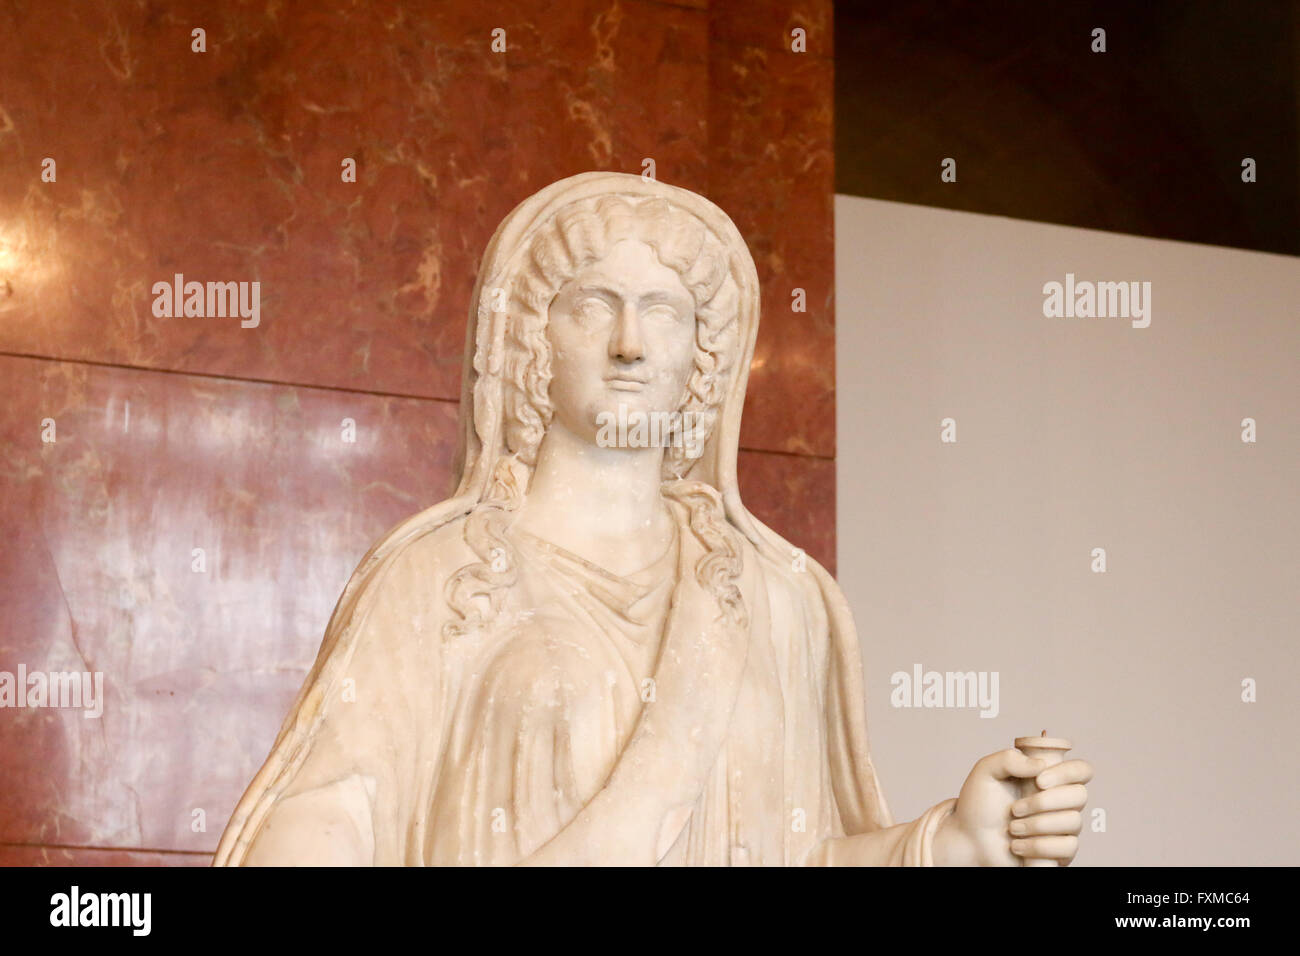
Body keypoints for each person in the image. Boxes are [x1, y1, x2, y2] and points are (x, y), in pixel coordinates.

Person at [215, 172, 1091, 866]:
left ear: (700, 359)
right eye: (592, 305)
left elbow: (800, 858)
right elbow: (328, 814)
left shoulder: (780, 600)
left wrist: (953, 844)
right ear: (532, 344)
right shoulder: (443, 577)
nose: (629, 343)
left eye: (664, 311)